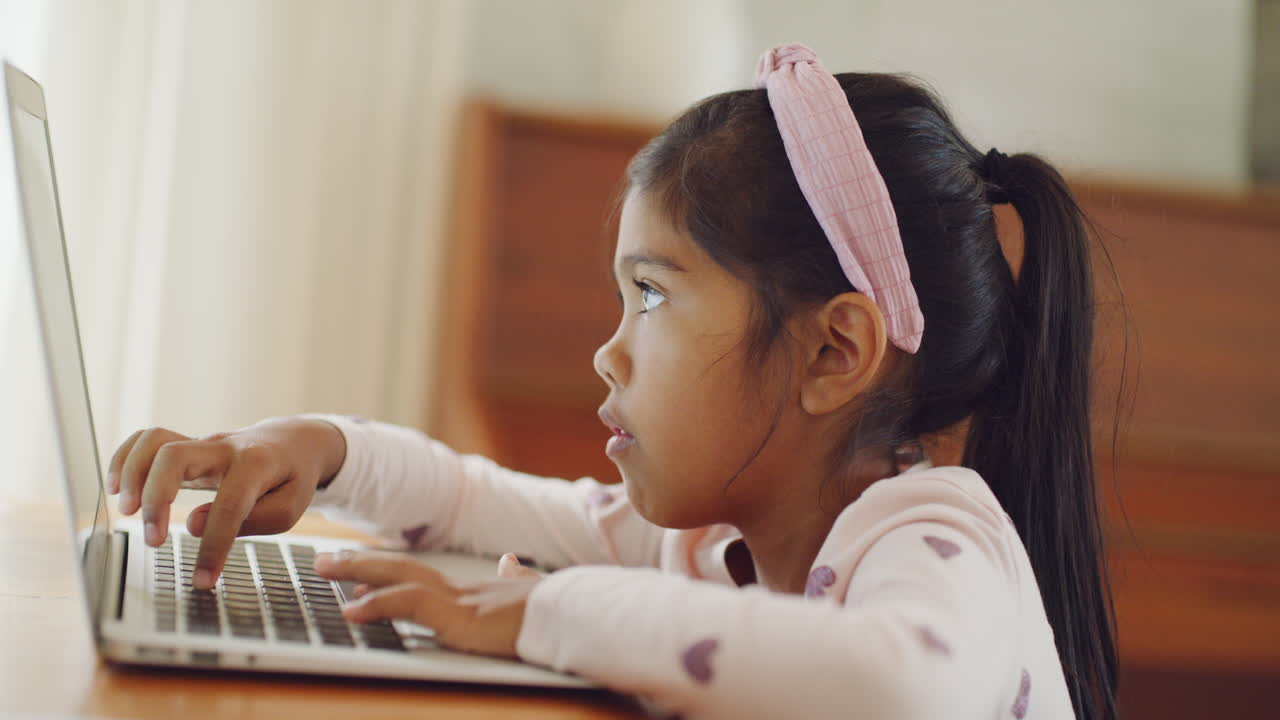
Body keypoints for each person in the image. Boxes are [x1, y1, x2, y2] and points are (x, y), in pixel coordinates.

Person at [107, 43, 1119, 720]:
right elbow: (472, 502)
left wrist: (543, 615)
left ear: (830, 353)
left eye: (652, 295)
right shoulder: (710, 538)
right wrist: (316, 450)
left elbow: (894, 686)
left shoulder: (930, 533)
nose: (608, 350)